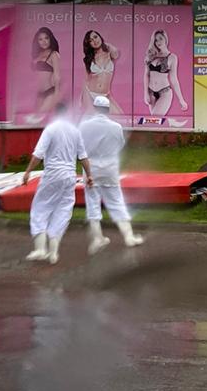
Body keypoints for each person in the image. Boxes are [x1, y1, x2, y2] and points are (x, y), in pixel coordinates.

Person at [21, 104, 93, 264]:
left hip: (53, 174)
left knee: (40, 208)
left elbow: (38, 154)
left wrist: (28, 171)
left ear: (55, 113)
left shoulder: (51, 129)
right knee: (63, 211)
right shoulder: (75, 131)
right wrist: (89, 175)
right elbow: (83, 157)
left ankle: (40, 249)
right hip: (69, 176)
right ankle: (53, 253)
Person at [79, 94, 143, 253]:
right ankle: (129, 237)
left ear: (94, 108)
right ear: (108, 109)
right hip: (110, 167)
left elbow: (79, 148)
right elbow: (120, 145)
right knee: (117, 201)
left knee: (92, 203)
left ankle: (97, 238)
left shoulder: (84, 125)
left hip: (90, 168)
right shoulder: (116, 127)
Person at [144, 28, 189, 121]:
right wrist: (145, 94)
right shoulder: (151, 55)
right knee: (155, 123)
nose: (158, 42)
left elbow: (174, 79)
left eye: (160, 38)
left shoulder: (172, 57)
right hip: (151, 92)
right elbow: (146, 75)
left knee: (154, 120)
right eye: (156, 40)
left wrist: (181, 100)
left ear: (165, 39)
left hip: (165, 92)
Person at [81, 29, 123, 113]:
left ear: (100, 37)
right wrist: (83, 98)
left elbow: (116, 54)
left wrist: (106, 45)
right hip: (91, 94)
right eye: (91, 41)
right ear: (89, 44)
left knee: (120, 116)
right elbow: (86, 79)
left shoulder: (109, 53)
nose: (94, 41)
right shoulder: (89, 59)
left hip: (105, 95)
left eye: (95, 37)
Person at [30, 27, 62, 117]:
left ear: (50, 39)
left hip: (50, 92)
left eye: (46, 38)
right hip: (39, 93)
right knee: (37, 119)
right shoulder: (37, 55)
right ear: (37, 42)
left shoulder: (54, 54)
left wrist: (57, 96)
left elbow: (57, 76)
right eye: (40, 39)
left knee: (39, 116)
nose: (44, 41)